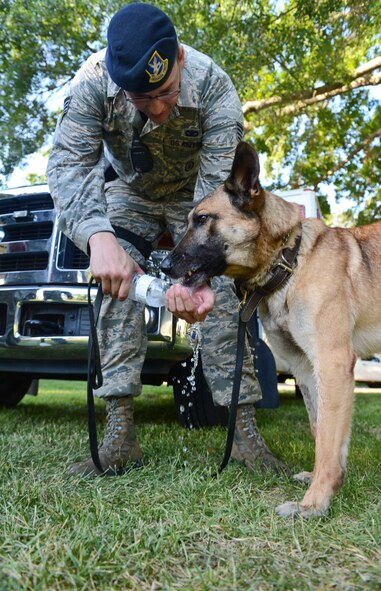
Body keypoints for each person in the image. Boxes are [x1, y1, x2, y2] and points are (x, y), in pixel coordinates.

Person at [46, 2, 287, 476]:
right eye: (141, 100)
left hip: (195, 198)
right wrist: (99, 239)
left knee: (217, 286)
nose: (157, 110)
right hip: (129, 193)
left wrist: (193, 275)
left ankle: (244, 432)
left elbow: (215, 200)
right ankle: (120, 433)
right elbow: (69, 166)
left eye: (167, 92)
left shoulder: (215, 88)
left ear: (178, 57)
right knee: (116, 285)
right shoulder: (93, 81)